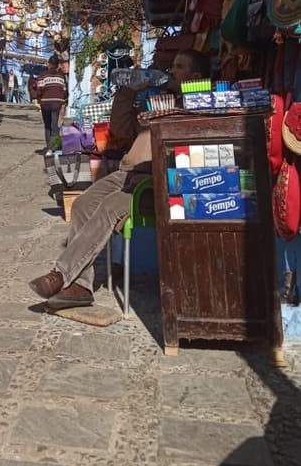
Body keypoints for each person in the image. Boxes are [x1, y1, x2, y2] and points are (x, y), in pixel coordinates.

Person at [29, 49, 210, 309]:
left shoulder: (195, 109)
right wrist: (129, 92)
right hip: (128, 174)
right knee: (83, 204)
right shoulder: (158, 101)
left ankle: (61, 274)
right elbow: (121, 130)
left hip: (154, 184)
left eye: (179, 66)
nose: (171, 72)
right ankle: (81, 285)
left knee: (108, 209)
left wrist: (150, 172)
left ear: (195, 76)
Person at [36, 54, 67, 149]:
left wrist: (39, 98)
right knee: (54, 124)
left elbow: (39, 89)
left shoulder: (43, 75)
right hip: (57, 103)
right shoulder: (61, 77)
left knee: (47, 125)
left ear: (49, 64)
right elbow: (64, 90)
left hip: (45, 102)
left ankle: (49, 148)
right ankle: (56, 147)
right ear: (58, 65)